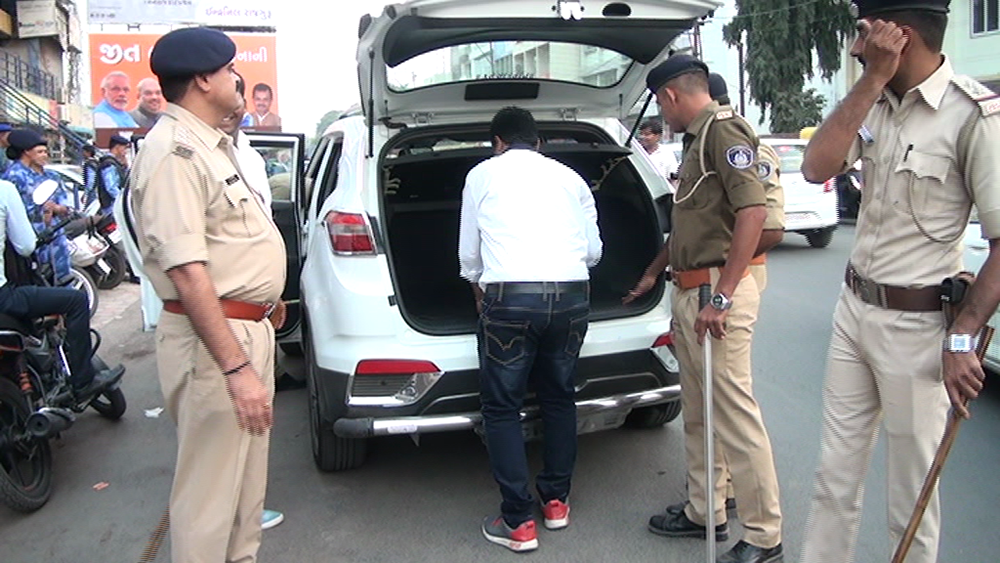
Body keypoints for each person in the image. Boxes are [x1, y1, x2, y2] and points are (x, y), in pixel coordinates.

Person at [798, 1, 1000, 562]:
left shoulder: (973, 115)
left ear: (898, 34)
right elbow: (817, 166)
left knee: (911, 496)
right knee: (833, 476)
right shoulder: (874, 102)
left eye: (864, 33)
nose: (857, 46)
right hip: (853, 312)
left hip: (917, 330)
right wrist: (870, 81)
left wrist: (961, 339)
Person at [128, 27, 287, 562]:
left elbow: (226, 245)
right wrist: (236, 369)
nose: (236, 79)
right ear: (202, 79)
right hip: (216, 343)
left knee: (244, 494)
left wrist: (265, 300)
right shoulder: (175, 152)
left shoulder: (207, 144)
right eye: (227, 71)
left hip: (243, 329)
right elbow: (190, 273)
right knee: (209, 501)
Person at [624, 55, 784, 563]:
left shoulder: (723, 131)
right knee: (698, 413)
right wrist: (654, 271)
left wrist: (723, 295)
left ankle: (764, 536)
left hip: (715, 294)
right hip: (690, 291)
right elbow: (691, 225)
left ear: (670, 96)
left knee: (735, 416)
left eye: (662, 109)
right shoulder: (697, 140)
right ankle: (704, 509)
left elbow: (755, 212)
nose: (662, 122)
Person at [459, 106, 602, 553]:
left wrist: (477, 288)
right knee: (559, 396)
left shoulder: (482, 175)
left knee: (502, 406)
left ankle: (518, 522)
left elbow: (469, 253)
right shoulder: (571, 178)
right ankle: (556, 502)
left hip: (511, 298)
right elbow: (594, 251)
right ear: (538, 142)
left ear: (497, 142)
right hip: (573, 296)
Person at [220, 71, 284, 531]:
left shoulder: (247, 154)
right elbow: (179, 265)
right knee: (223, 433)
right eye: (231, 83)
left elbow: (262, 220)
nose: (239, 99)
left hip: (255, 314)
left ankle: (244, 513)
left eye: (242, 90)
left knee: (252, 427)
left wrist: (271, 296)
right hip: (219, 318)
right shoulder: (184, 155)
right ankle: (227, 515)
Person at [0, 175, 122, 399]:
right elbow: (26, 246)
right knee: (76, 300)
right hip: (3, 296)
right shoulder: (5, 189)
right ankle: (83, 382)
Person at [708, 72, 785, 292]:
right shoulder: (708, 143)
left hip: (736, 276)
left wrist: (727, 268)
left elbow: (771, 228)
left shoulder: (747, 149)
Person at [2, 130, 74, 285]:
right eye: (40, 152)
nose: (44, 155)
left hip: (56, 237)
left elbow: (66, 205)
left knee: (64, 280)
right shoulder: (14, 176)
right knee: (37, 282)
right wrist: (39, 212)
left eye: (45, 152)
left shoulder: (52, 176)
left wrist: (57, 208)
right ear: (27, 152)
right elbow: (13, 213)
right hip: (31, 241)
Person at [94, 135, 129, 217]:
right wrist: (123, 201)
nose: (125, 151)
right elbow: (111, 187)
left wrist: (125, 167)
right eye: (124, 148)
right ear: (117, 147)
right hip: (111, 207)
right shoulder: (109, 164)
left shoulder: (115, 163)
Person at [637, 117, 679, 185]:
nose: (643, 137)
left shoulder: (666, 154)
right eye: (641, 134)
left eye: (647, 134)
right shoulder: (636, 152)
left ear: (658, 136)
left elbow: (672, 179)